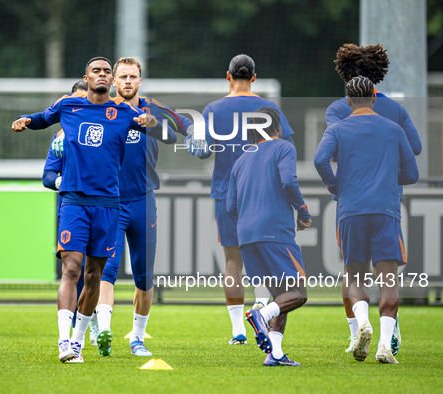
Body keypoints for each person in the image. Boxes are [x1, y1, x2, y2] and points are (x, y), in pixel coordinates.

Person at [12, 57, 158, 364]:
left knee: (94, 275)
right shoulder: (68, 106)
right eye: (97, 71)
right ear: (87, 77)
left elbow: (153, 125)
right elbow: (42, 118)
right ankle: (64, 341)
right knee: (72, 269)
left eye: (107, 71)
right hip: (74, 200)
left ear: (112, 80)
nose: (103, 75)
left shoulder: (124, 112)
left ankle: (78, 342)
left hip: (108, 205)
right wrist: (25, 120)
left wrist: (151, 122)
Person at [186, 54, 295, 345]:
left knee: (233, 261)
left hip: (226, 192)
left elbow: (203, 151)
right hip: (264, 195)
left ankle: (237, 330)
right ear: (254, 78)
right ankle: (263, 308)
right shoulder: (268, 107)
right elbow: (286, 144)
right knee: (268, 259)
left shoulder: (213, 109)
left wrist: (194, 144)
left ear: (228, 76)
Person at [89, 57, 191, 357]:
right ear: (114, 81)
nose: (128, 81)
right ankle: (105, 328)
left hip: (144, 200)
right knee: (107, 269)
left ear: (140, 81)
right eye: (123, 77)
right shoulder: (103, 108)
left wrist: (155, 125)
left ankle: (137, 338)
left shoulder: (151, 107)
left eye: (133, 76)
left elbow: (176, 132)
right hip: (111, 203)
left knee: (144, 276)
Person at [326, 43, 422, 356]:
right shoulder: (395, 111)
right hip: (387, 201)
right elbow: (416, 149)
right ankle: (388, 335)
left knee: (353, 271)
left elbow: (336, 147)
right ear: (377, 76)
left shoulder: (339, 110)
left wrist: (336, 182)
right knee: (387, 273)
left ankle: (356, 334)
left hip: (351, 201)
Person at [228, 106, 311, 367]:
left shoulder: (241, 160)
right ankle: (260, 315)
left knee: (280, 295)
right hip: (274, 231)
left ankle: (275, 354)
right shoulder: (283, 147)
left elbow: (231, 206)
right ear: (276, 127)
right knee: (298, 292)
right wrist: (303, 209)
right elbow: (288, 181)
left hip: (246, 235)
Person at [42, 80, 88, 330]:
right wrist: (66, 181)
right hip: (72, 208)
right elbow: (47, 176)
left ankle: (91, 318)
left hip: (103, 206)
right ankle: (72, 324)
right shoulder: (60, 138)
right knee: (73, 266)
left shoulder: (106, 127)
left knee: (96, 269)